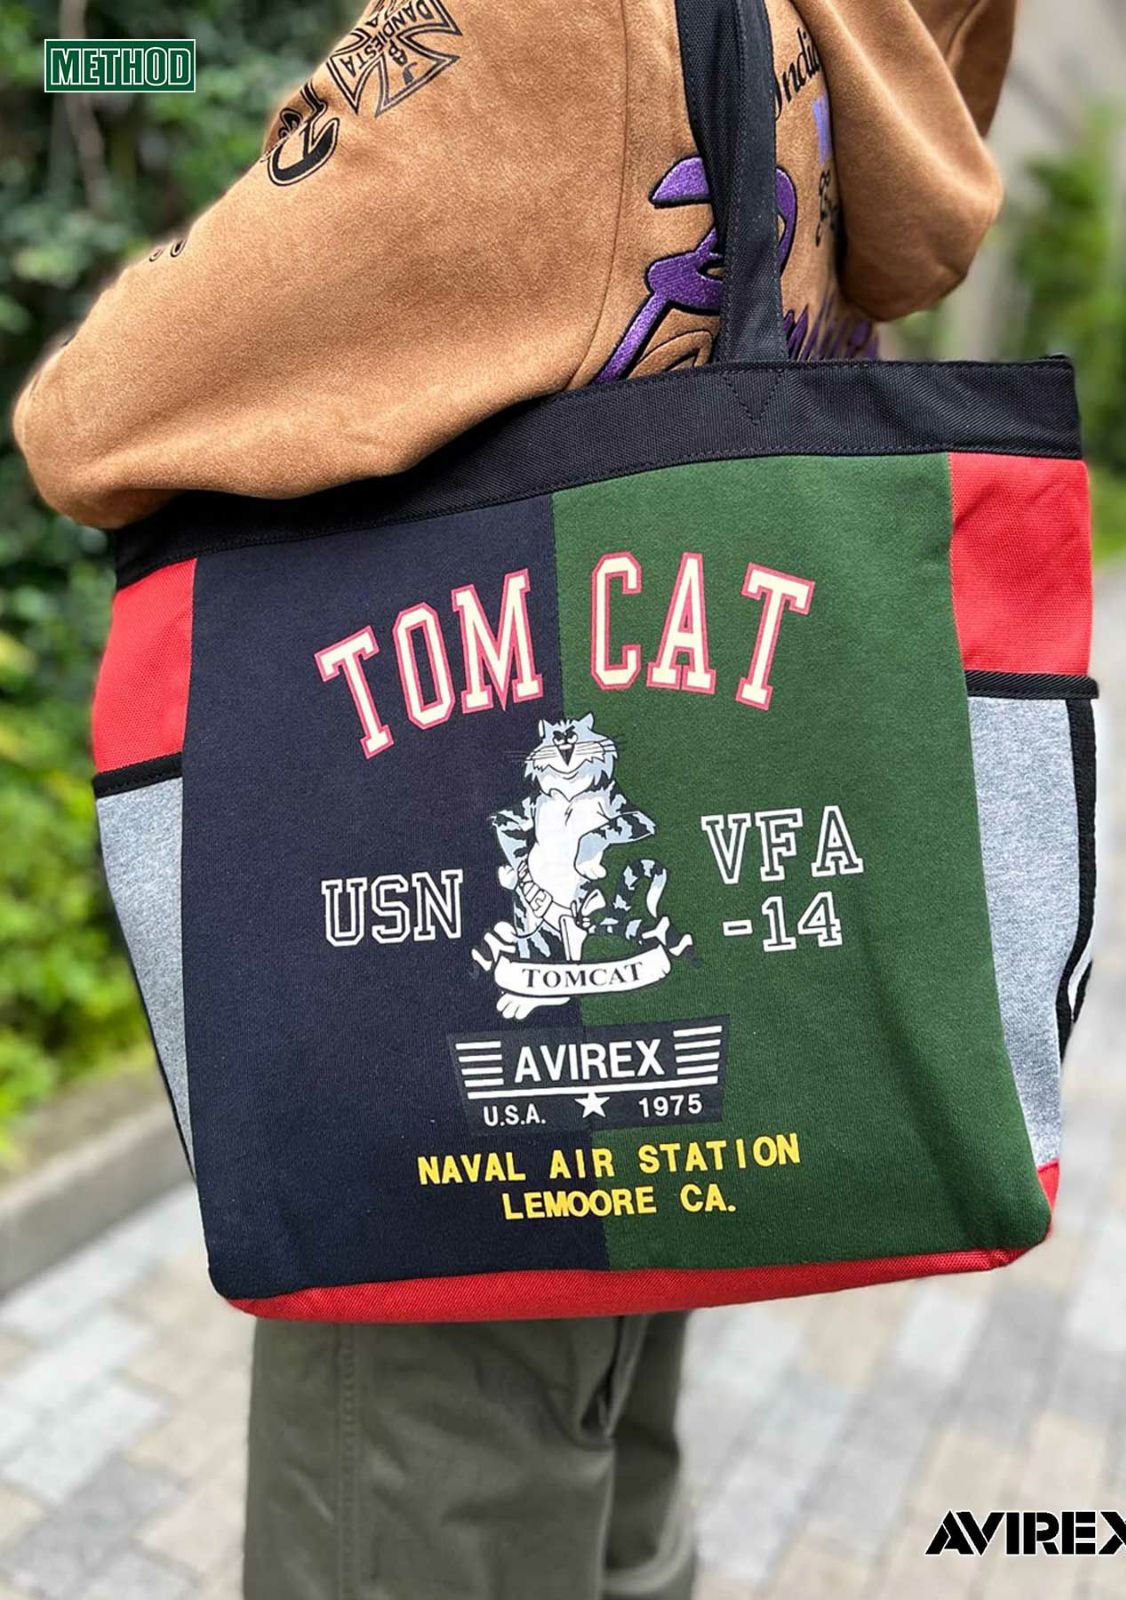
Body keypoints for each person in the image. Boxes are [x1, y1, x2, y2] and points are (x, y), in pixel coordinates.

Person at [14, 2, 1016, 1594]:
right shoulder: (827, 32)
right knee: (622, 1502)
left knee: (417, 1503)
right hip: (695, 991)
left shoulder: (560, 20)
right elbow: (906, 246)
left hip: (448, 1048)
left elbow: (95, 418)